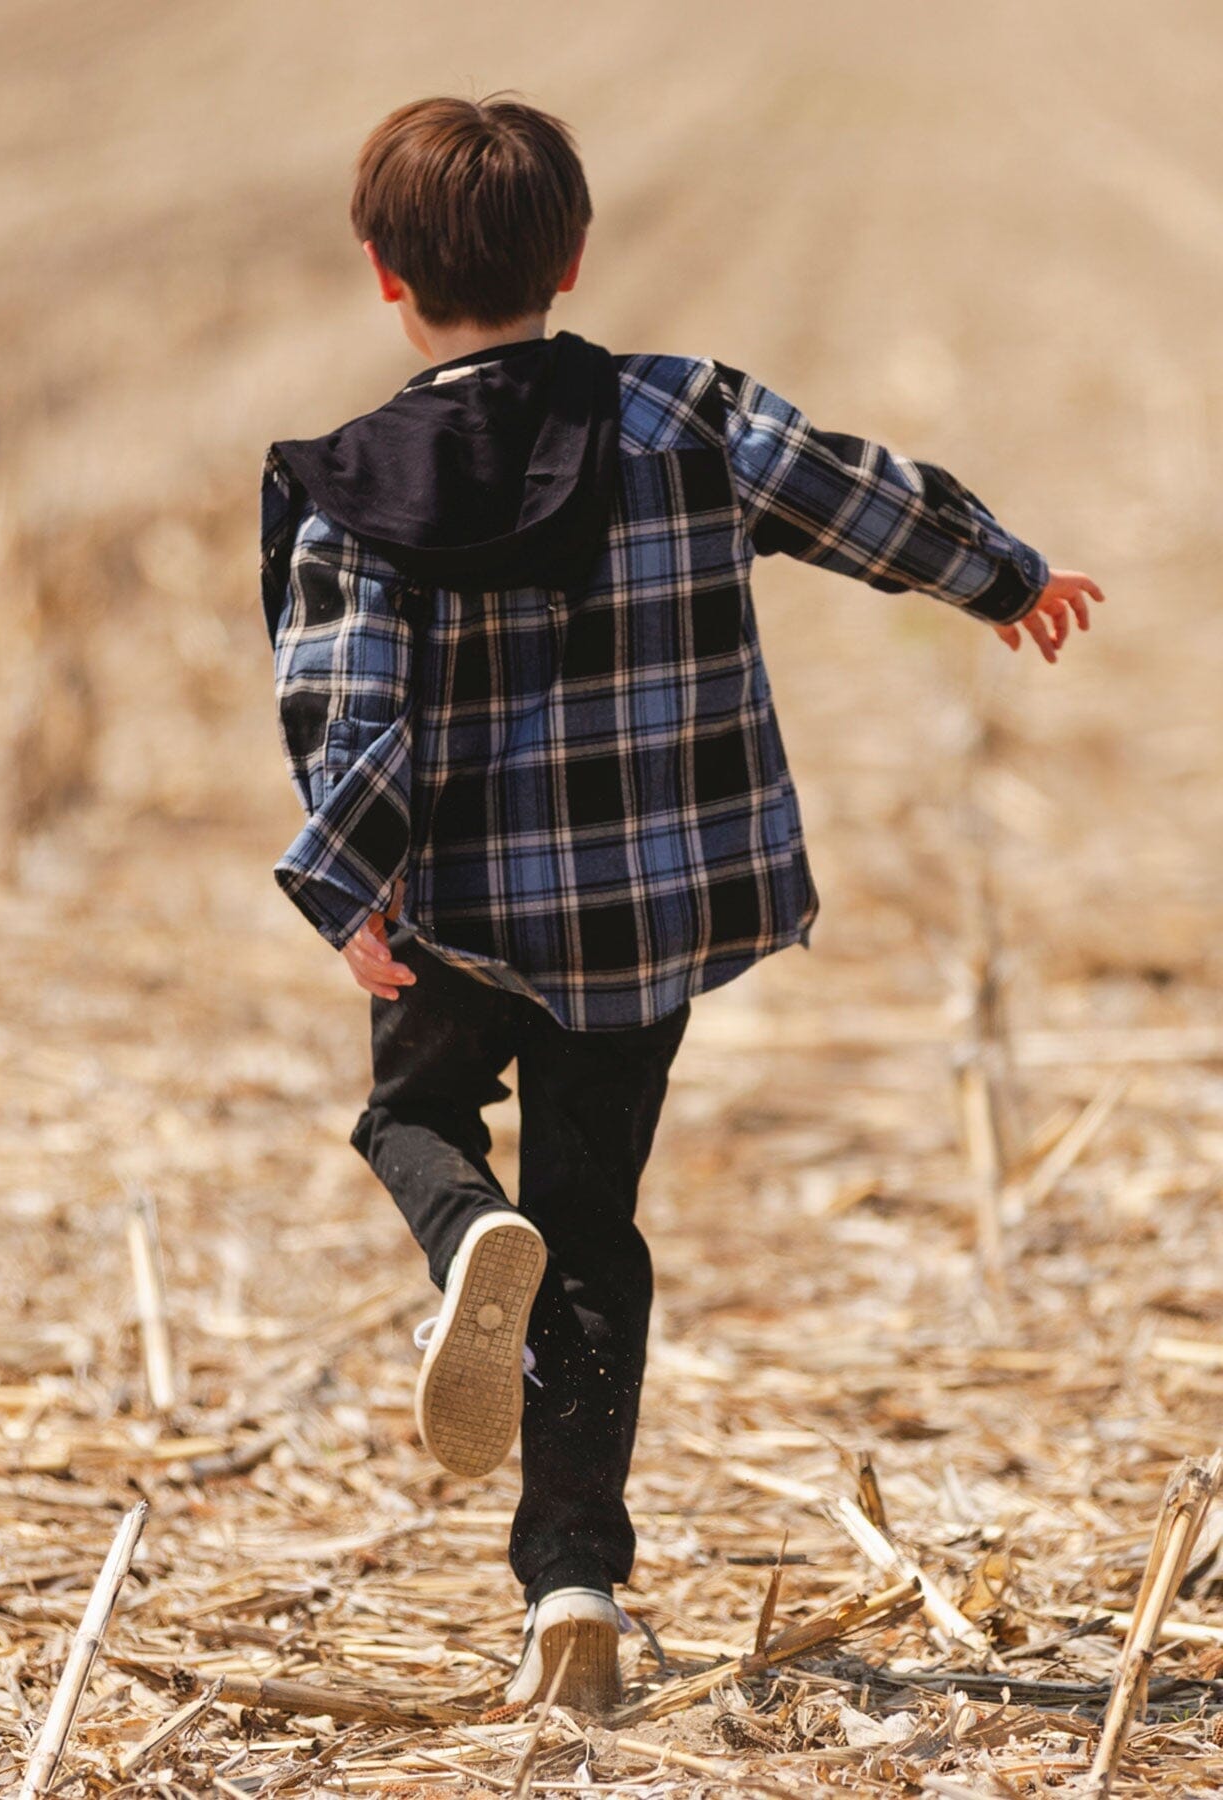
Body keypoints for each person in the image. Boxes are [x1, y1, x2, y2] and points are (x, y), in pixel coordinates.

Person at [258, 94, 1104, 1713]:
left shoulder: (353, 490)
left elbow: (346, 708)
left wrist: (342, 884)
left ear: (382, 274)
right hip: (642, 923)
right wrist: (1001, 577)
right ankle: (571, 1579)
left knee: (413, 1120)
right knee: (596, 1239)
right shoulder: (685, 415)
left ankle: (461, 1236)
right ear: (573, 257)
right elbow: (862, 496)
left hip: (454, 918)